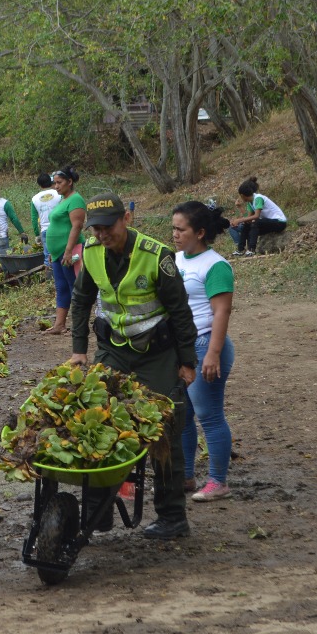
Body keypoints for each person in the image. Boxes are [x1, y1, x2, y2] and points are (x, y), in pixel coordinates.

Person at [68, 194, 198, 540]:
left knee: (164, 429)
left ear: (126, 218)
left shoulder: (156, 256)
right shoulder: (91, 252)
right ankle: (98, 512)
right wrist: (79, 349)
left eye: (107, 227)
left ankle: (172, 516)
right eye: (95, 229)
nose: (101, 234)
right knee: (95, 420)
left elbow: (180, 312)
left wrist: (187, 363)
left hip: (157, 355)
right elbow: (81, 300)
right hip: (113, 351)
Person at [171, 201, 236, 502]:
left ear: (199, 232)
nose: (174, 234)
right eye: (173, 228)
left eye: (180, 229)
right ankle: (185, 476)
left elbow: (221, 312)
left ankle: (218, 482)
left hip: (205, 343)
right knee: (182, 415)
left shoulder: (216, 265)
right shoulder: (175, 260)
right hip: (181, 348)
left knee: (209, 415)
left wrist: (212, 353)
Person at [45, 166, 86, 335]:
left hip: (71, 251)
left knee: (74, 287)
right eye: (55, 183)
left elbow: (77, 226)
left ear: (70, 182)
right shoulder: (63, 200)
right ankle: (59, 325)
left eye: (59, 182)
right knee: (61, 287)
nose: (56, 186)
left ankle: (78, 324)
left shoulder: (75, 200)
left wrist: (68, 251)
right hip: (58, 253)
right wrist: (53, 252)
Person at [227, 177, 287, 257]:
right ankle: (240, 249)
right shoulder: (250, 202)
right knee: (247, 224)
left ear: (242, 195)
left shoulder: (258, 198)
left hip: (280, 222)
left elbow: (256, 216)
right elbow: (248, 219)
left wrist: (239, 220)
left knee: (255, 222)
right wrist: (240, 207)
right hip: (268, 223)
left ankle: (251, 249)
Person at [31, 173, 62, 271]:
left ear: (39, 185)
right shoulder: (59, 194)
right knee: (62, 253)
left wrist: (37, 234)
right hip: (60, 228)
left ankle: (50, 277)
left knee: (48, 257)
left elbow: (34, 218)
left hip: (45, 230)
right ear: (51, 181)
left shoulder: (34, 199)